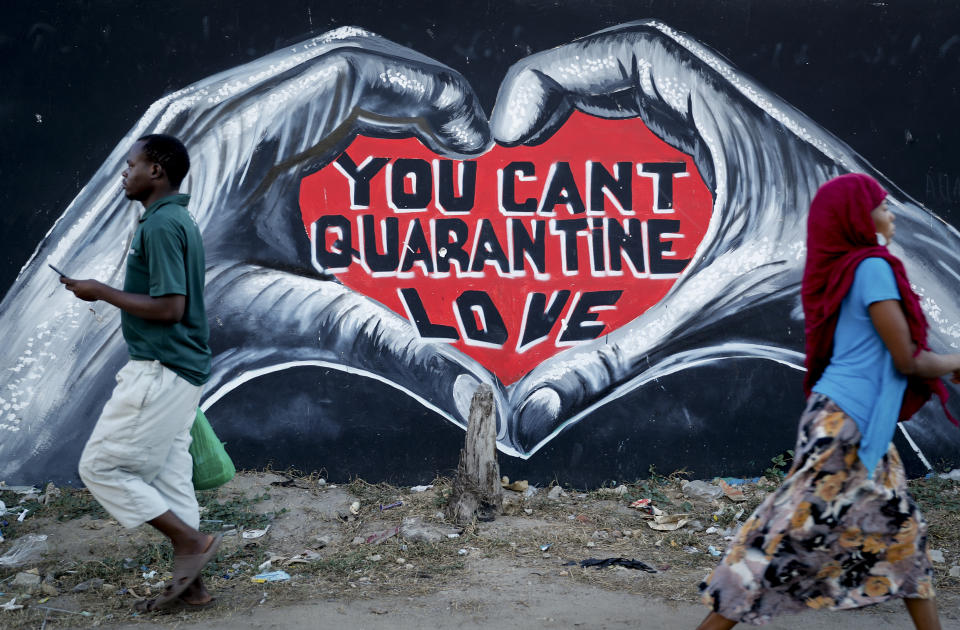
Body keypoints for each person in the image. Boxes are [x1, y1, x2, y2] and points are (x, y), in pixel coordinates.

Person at [696, 173, 960, 629]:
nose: (889, 214)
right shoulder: (871, 267)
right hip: (846, 430)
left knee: (904, 537)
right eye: (880, 206)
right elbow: (907, 360)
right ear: (857, 216)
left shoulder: (848, 269)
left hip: (848, 423)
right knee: (783, 540)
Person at [60, 134, 220, 612]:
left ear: (157, 172)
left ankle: (190, 543)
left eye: (131, 165)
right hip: (178, 369)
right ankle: (193, 589)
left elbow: (172, 307)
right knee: (171, 479)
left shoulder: (161, 226)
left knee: (101, 467)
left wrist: (100, 291)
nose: (123, 174)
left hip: (161, 369)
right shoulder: (171, 219)